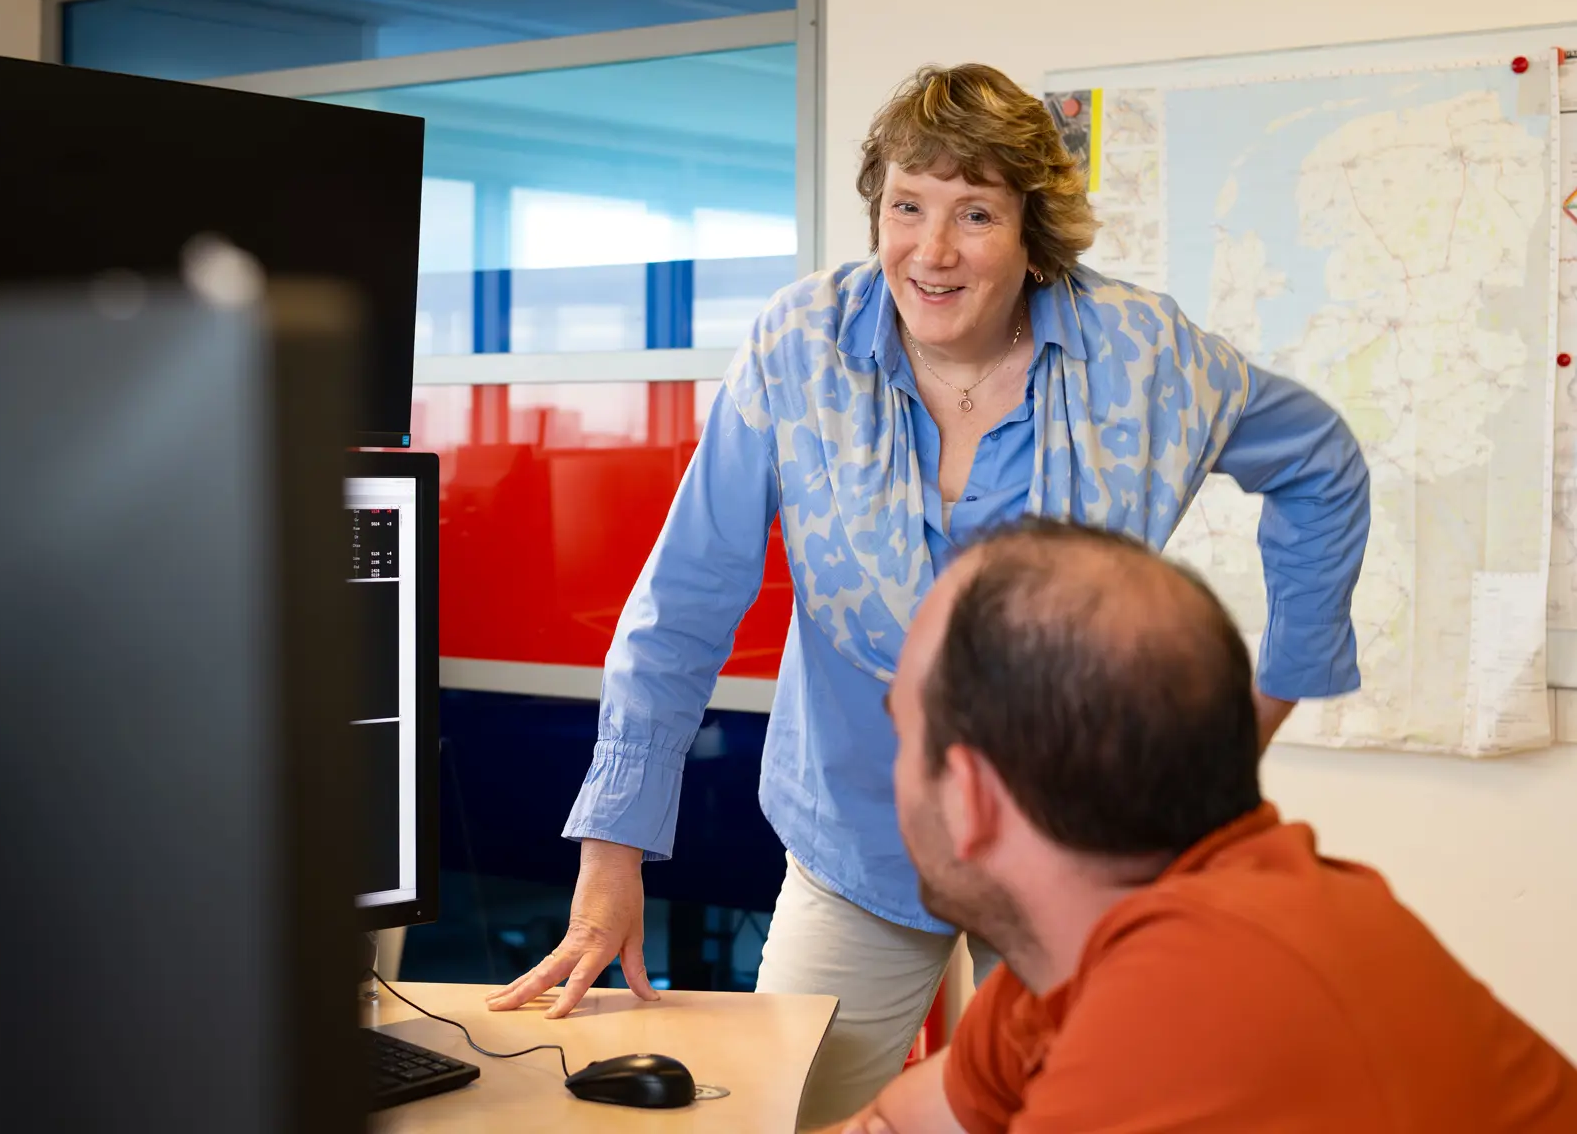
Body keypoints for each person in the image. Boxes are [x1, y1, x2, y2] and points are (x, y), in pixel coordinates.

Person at [485, 62, 1372, 1127]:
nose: (932, 251)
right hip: (857, 838)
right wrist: (611, 851)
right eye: (907, 207)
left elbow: (1322, 461)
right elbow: (685, 601)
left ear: (1033, 234)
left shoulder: (1146, 359)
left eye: (976, 213)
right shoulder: (796, 348)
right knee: (797, 1114)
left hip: (1070, 842)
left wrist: (1271, 696)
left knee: (1074, 1111)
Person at [821, 518, 1577, 1134]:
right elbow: (898, 1126)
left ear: (972, 798)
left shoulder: (1183, 1014)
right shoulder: (1072, 968)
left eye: (904, 734)